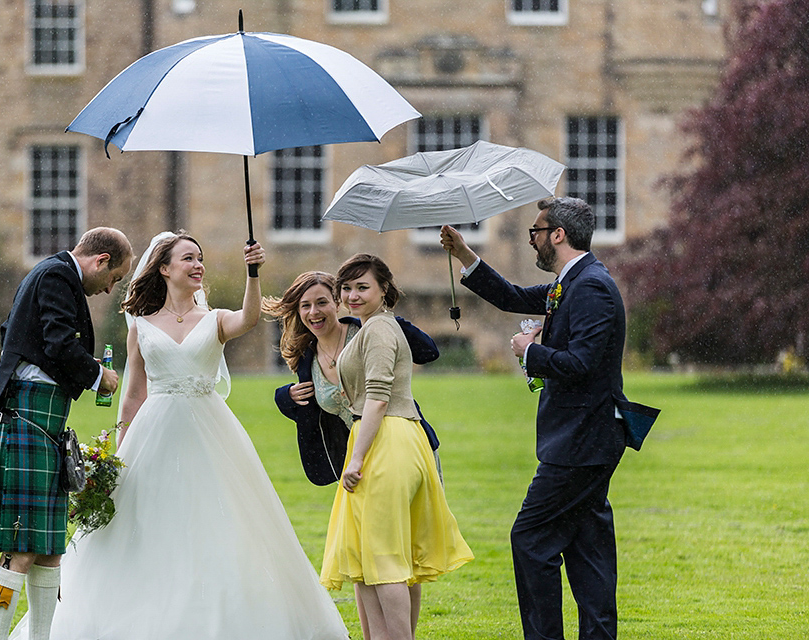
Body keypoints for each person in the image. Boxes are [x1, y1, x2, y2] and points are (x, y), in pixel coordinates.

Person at [9, 232, 349, 639]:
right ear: (165, 268)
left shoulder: (216, 319)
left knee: (218, 524)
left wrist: (252, 272)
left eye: (201, 258)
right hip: (153, 434)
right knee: (141, 529)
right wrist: (120, 451)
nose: (198, 265)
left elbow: (249, 318)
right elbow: (133, 393)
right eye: (189, 258)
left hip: (210, 433)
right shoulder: (142, 327)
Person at [440, 197, 640, 640]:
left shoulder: (590, 287)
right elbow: (512, 296)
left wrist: (529, 351)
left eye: (536, 231)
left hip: (581, 442)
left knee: (530, 539)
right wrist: (464, 254)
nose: (531, 238)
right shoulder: (568, 283)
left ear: (557, 235)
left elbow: (583, 362)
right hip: (584, 440)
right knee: (588, 550)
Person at [0, 227, 133, 640]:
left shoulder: (50, 274)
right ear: (101, 261)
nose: (111, 289)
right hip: (29, 416)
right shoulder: (56, 275)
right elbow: (57, 343)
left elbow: (18, 334)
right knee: (21, 547)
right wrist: (97, 376)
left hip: (43, 421)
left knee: (50, 550)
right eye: (115, 278)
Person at [319, 254, 473, 640]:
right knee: (375, 556)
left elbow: (378, 398)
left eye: (363, 287)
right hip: (389, 437)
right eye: (348, 288)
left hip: (387, 441)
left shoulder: (380, 330)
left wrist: (356, 458)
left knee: (384, 558)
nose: (352, 296)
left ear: (384, 291)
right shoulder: (370, 327)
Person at [264, 270, 442, 488]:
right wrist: (285, 397)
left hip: (401, 445)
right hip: (356, 463)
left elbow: (428, 352)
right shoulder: (306, 360)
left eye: (322, 302)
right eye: (305, 305)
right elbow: (312, 417)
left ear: (337, 303)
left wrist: (385, 317)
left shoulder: (368, 329)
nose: (314, 312)